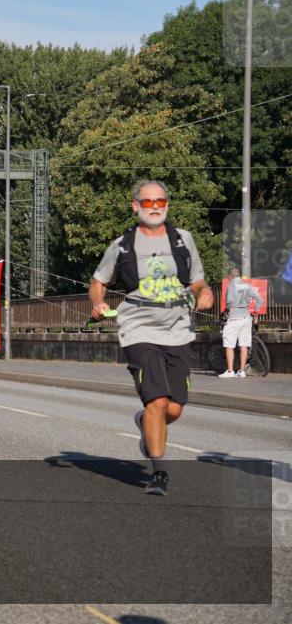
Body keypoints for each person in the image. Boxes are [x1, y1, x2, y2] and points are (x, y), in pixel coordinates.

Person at [89, 180, 213, 496]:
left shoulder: (183, 240)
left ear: (167, 204)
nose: (155, 206)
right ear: (135, 206)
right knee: (157, 400)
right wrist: (98, 303)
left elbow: (197, 280)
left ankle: (146, 421)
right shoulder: (121, 245)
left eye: (160, 201)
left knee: (174, 408)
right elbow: (98, 281)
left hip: (178, 330)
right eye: (147, 202)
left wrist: (205, 292)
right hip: (138, 329)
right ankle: (159, 473)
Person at [219, 268, 264, 378]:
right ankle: (242, 371)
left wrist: (226, 310)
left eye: (228, 276)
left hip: (234, 318)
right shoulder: (247, 285)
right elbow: (260, 299)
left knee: (229, 344)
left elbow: (229, 302)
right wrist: (255, 312)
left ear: (230, 276)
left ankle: (230, 371)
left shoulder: (231, 285)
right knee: (244, 344)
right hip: (246, 318)